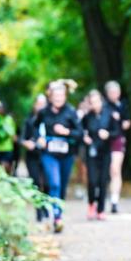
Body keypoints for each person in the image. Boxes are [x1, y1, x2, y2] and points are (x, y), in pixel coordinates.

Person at [32, 80, 83, 234]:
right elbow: (34, 127)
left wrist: (66, 132)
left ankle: (57, 212)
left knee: (62, 186)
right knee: (54, 183)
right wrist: (38, 138)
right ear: (51, 97)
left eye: (61, 96)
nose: (58, 98)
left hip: (66, 155)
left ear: (65, 97)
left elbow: (80, 133)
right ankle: (57, 217)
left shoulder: (71, 112)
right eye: (56, 96)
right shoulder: (43, 112)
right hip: (49, 154)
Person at [81, 89, 112, 221]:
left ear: (101, 101)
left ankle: (101, 209)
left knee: (103, 181)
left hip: (105, 152)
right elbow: (79, 130)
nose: (95, 104)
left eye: (96, 101)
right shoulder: (87, 117)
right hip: (92, 152)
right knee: (92, 181)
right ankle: (91, 204)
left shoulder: (109, 114)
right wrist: (85, 137)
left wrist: (108, 134)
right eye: (92, 102)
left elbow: (117, 131)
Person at [104, 80, 131, 214]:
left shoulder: (123, 105)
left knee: (115, 169)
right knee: (105, 170)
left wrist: (121, 120)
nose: (115, 94)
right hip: (104, 141)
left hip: (118, 139)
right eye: (112, 92)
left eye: (116, 92)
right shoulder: (103, 106)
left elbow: (127, 123)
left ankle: (114, 200)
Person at [21, 94, 49, 223]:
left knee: (48, 183)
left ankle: (46, 207)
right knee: (36, 183)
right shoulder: (29, 120)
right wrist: (28, 143)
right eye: (39, 104)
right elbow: (22, 138)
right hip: (32, 156)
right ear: (35, 105)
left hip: (47, 155)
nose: (41, 107)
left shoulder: (50, 120)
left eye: (44, 104)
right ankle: (38, 210)